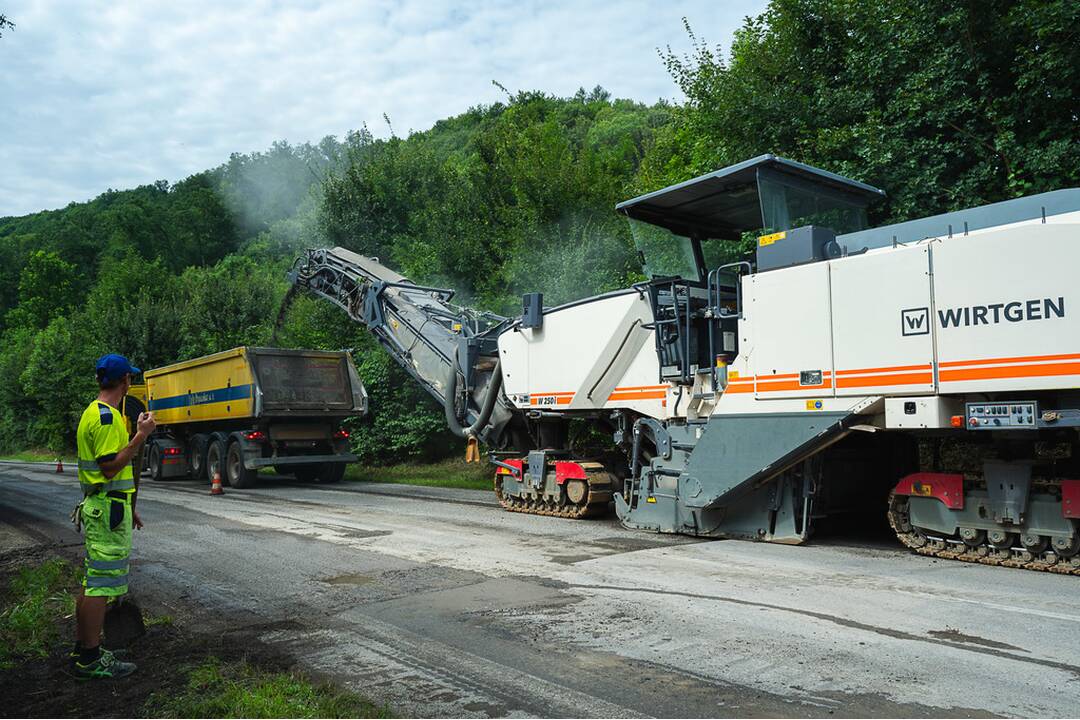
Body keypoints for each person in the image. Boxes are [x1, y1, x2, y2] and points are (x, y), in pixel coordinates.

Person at [71, 353, 155, 680]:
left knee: (93, 581)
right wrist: (141, 436)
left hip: (106, 506)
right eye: (129, 377)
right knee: (100, 585)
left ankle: (84, 648)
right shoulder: (106, 419)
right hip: (107, 510)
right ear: (126, 382)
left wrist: (130, 505)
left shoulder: (95, 412)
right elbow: (109, 466)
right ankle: (91, 659)